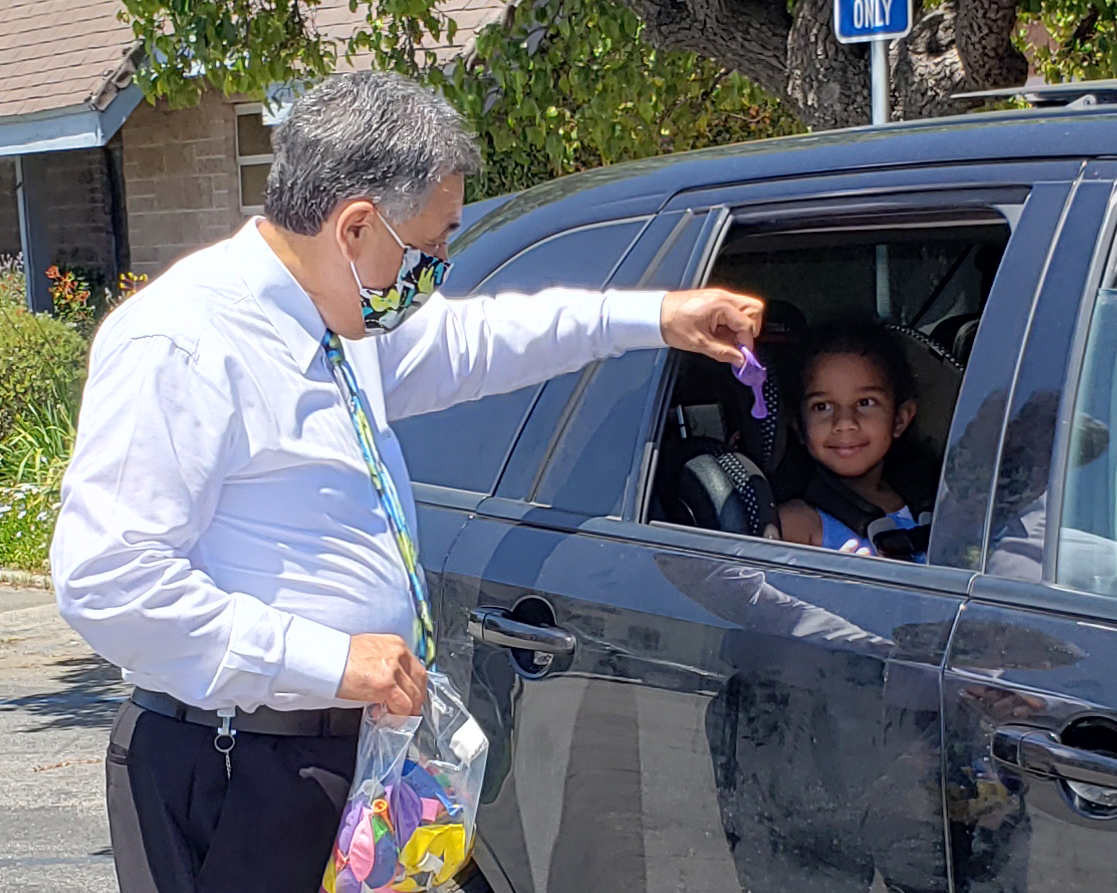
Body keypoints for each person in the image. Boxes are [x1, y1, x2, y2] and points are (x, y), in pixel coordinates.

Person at [49, 71, 764, 893]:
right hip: (237, 770)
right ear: (355, 227)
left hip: (343, 756)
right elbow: (109, 581)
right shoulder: (184, 341)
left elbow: (482, 341)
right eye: (428, 247)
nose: (436, 271)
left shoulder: (338, 320)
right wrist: (326, 659)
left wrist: (656, 317)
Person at [778, 322, 921, 557]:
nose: (845, 423)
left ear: (900, 419)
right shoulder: (796, 526)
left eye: (865, 403)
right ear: (799, 426)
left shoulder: (927, 503)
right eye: (822, 407)